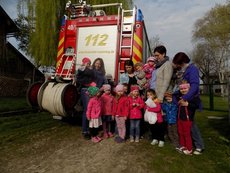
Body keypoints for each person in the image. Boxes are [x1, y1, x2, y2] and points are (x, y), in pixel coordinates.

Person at [172, 52, 204, 155]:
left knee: (191, 124)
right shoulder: (184, 70)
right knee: (188, 123)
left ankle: (199, 145)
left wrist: (185, 98)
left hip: (191, 99)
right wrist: (174, 94)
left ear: (182, 62)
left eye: (178, 63)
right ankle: (188, 144)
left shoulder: (192, 69)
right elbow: (182, 86)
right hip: (184, 98)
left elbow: (194, 86)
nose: (177, 66)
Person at [175, 81, 201, 155]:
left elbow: (196, 105)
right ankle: (183, 146)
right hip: (180, 118)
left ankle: (189, 149)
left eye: (185, 88)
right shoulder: (180, 97)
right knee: (180, 132)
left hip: (187, 119)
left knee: (187, 134)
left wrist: (188, 104)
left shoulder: (193, 97)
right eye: (181, 89)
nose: (183, 90)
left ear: (189, 88)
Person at [76, 57, 96, 139]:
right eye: (87, 62)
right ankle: (85, 131)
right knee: (87, 109)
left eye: (89, 63)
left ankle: (89, 128)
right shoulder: (82, 69)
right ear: (84, 63)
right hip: (85, 89)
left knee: (91, 109)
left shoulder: (88, 69)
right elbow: (82, 76)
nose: (88, 64)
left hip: (91, 89)